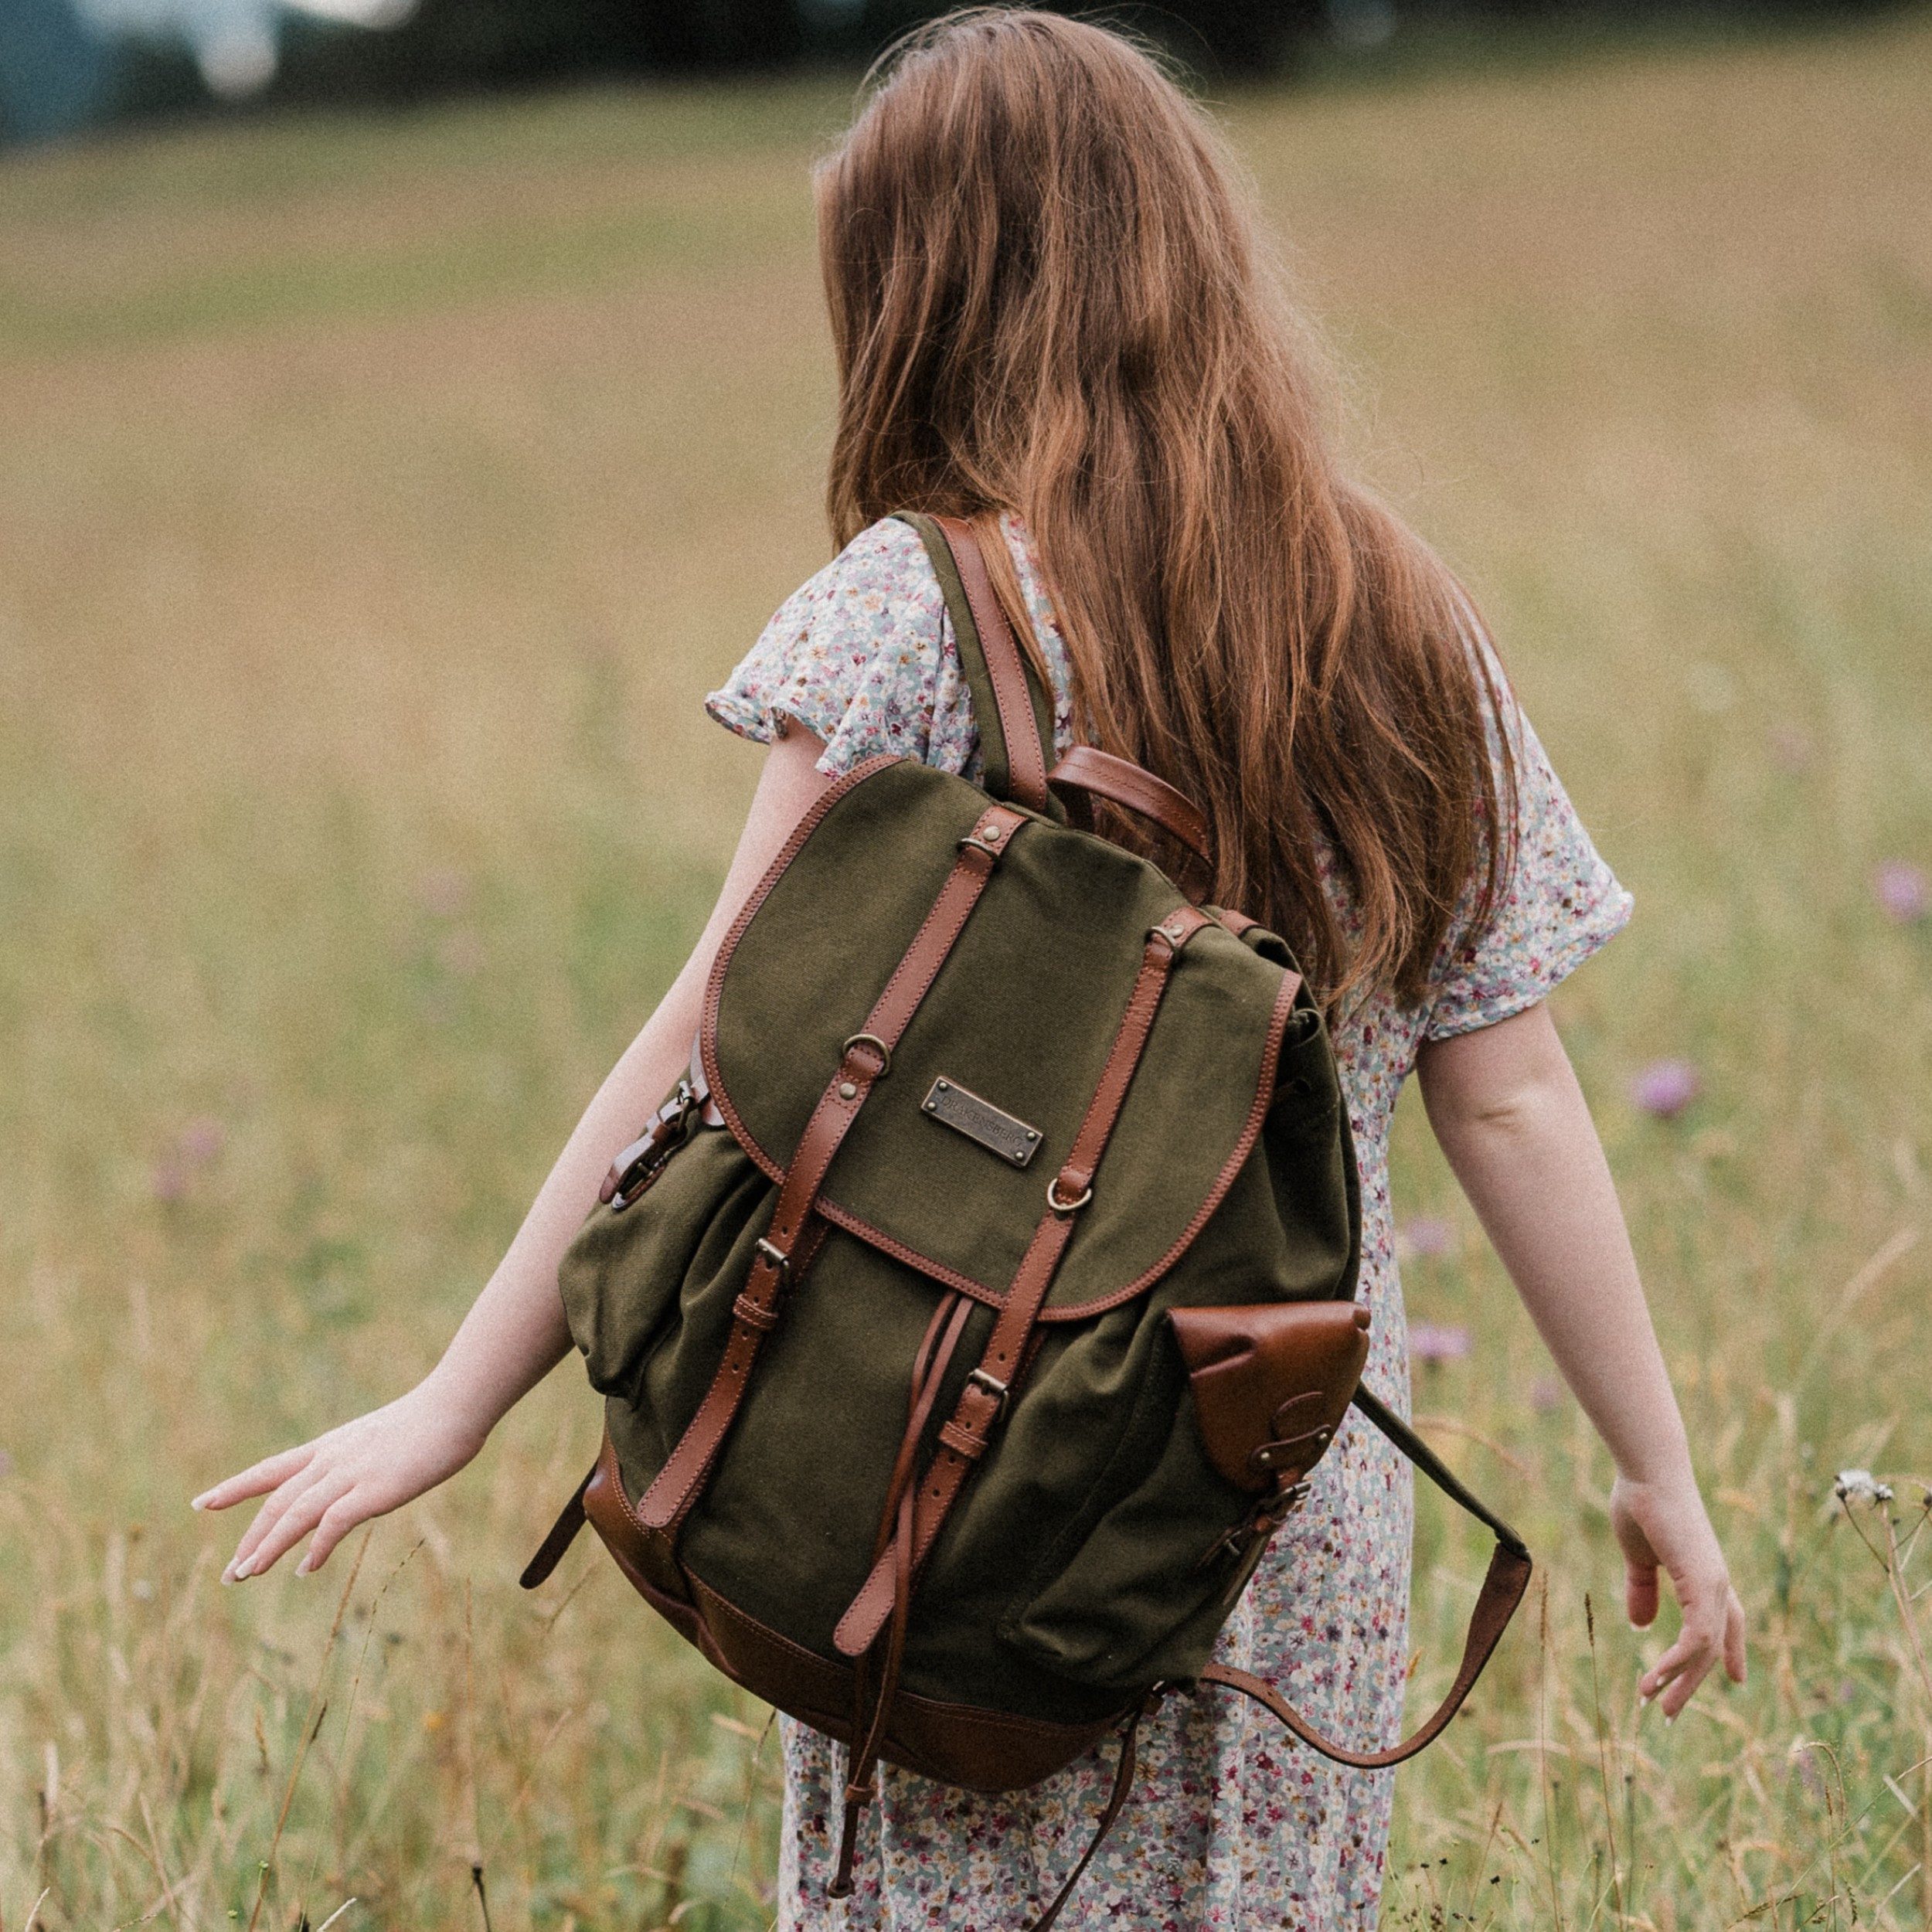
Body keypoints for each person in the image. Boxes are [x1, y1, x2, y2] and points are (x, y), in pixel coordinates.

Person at [194, 9, 1747, 1924]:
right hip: (1268, 1486)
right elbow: (1502, 1085)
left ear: (920, 294)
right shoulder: (1385, 609)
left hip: (942, 1440)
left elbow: (706, 1048)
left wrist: (457, 1394)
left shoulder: (903, 610)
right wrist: (1654, 1462)